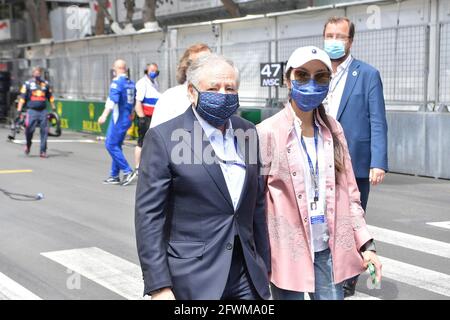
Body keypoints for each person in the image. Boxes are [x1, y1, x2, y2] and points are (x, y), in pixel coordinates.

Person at [135, 53, 271, 300]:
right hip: (193, 278)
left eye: (230, 88)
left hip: (247, 276)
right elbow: (149, 217)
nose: (223, 94)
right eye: (213, 88)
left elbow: (257, 205)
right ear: (192, 91)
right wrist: (159, 286)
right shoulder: (164, 138)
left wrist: (264, 266)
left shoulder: (247, 132)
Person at [256, 46, 382, 300]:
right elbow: (255, 202)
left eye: (320, 76)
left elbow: (350, 194)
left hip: (328, 247)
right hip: (286, 250)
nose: (311, 83)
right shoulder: (265, 132)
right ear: (287, 79)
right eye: (302, 75)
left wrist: (366, 245)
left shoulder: (334, 129)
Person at [322, 16, 388, 297]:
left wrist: (378, 161)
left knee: (352, 217)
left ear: (351, 41)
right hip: (320, 155)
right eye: (330, 35)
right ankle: (326, 267)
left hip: (356, 160)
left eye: (340, 36)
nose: (334, 41)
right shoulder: (317, 71)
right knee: (323, 216)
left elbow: (377, 120)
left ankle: (349, 273)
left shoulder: (367, 74)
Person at [149, 43, 211, 128]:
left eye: (210, 62)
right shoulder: (171, 97)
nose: (207, 68)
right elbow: (155, 136)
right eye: (198, 64)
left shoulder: (222, 95)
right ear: (186, 68)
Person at [98, 59, 137, 186]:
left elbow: (112, 101)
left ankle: (127, 171)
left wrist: (104, 115)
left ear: (117, 68)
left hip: (118, 118)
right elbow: (133, 101)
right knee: (117, 145)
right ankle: (114, 175)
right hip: (127, 117)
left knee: (110, 144)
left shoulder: (117, 82)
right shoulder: (130, 83)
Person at [17, 66, 56, 158]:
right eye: (36, 73)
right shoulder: (27, 84)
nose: (38, 74)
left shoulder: (45, 84)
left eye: (39, 73)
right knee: (29, 130)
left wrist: (53, 107)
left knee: (44, 131)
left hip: (43, 111)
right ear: (33, 74)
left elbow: (50, 96)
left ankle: (43, 151)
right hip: (32, 111)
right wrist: (19, 109)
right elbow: (22, 97)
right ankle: (28, 144)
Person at [134, 63, 161, 177]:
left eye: (155, 70)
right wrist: (142, 118)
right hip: (145, 117)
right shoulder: (142, 83)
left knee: (152, 143)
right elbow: (138, 102)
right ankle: (138, 167)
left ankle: (150, 166)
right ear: (146, 71)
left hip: (154, 117)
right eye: (151, 70)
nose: (154, 72)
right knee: (141, 142)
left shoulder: (155, 83)